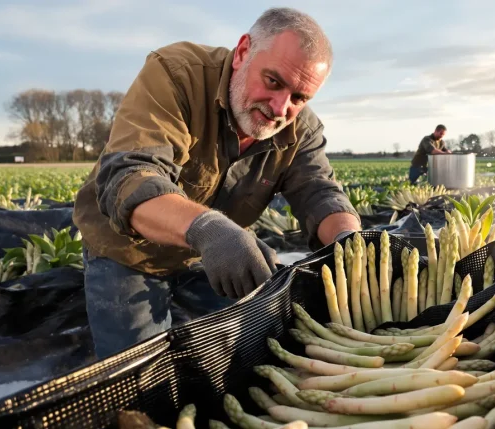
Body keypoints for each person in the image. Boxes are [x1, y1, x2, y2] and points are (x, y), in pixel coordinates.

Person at [72, 7, 361, 359]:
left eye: (299, 98)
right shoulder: (176, 74)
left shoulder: (300, 128)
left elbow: (319, 192)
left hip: (209, 256)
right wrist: (209, 230)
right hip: (129, 251)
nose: (280, 108)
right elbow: (131, 177)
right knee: (141, 365)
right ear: (243, 52)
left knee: (248, 350)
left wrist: (351, 241)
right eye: (273, 81)